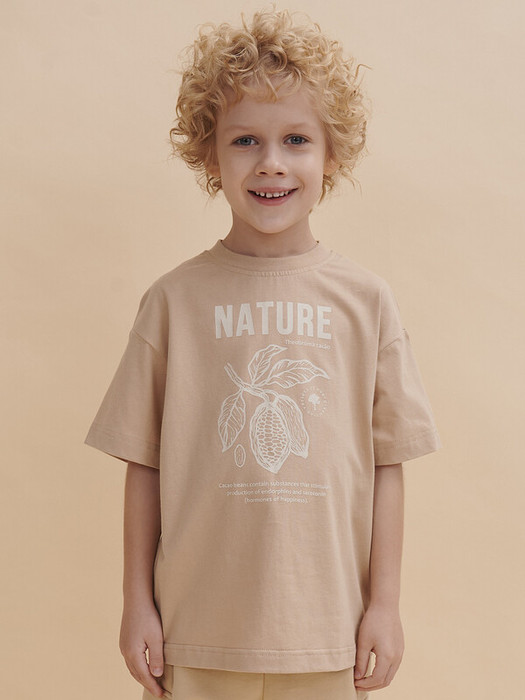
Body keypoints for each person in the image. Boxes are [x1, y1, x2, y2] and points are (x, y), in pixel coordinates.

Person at [84, 6, 442, 699]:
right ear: (209, 156)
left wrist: (385, 605)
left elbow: (387, 463)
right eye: (245, 139)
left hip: (329, 633)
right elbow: (143, 464)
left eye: (296, 139)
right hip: (194, 630)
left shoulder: (367, 302)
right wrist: (136, 604)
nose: (271, 162)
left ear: (330, 155)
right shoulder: (173, 301)